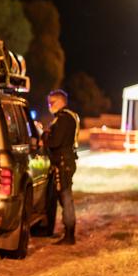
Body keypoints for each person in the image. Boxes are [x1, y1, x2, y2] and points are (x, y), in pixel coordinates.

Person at [42, 89, 80, 245]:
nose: (49, 106)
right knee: (64, 197)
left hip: (63, 163)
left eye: (52, 103)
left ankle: (69, 235)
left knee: (65, 198)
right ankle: (68, 233)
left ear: (61, 102)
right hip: (66, 161)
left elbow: (55, 142)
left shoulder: (64, 119)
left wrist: (44, 138)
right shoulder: (69, 116)